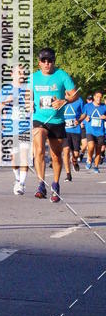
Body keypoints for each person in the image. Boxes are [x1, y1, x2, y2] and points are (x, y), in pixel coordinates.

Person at [31, 48, 79, 202]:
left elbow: (75, 94)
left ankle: (56, 184)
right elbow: (27, 95)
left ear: (54, 62)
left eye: (49, 60)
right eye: (43, 61)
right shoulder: (33, 77)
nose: (47, 64)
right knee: (38, 150)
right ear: (39, 63)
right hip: (39, 119)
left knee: (55, 156)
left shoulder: (62, 75)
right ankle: (41, 185)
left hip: (57, 121)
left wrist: (64, 101)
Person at [0, 65, 31, 195]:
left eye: (23, 72)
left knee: (24, 155)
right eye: (19, 72)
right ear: (12, 74)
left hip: (25, 127)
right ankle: (17, 178)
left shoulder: (28, 89)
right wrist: (6, 101)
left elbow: (34, 106)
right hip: (10, 129)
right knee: (14, 158)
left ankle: (21, 183)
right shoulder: (5, 90)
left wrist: (31, 106)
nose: (21, 74)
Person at [62, 93, 87, 179]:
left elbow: (84, 113)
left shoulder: (79, 100)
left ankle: (74, 161)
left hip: (76, 130)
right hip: (64, 130)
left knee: (76, 154)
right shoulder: (61, 99)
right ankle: (68, 174)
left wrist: (79, 120)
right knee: (66, 151)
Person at [84, 91, 106, 173]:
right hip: (90, 130)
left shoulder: (104, 107)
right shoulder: (87, 106)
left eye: (100, 97)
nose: (99, 99)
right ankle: (89, 158)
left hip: (100, 132)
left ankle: (96, 166)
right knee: (91, 146)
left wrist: (105, 117)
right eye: (97, 97)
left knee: (98, 150)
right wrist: (85, 118)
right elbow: (83, 115)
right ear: (94, 97)